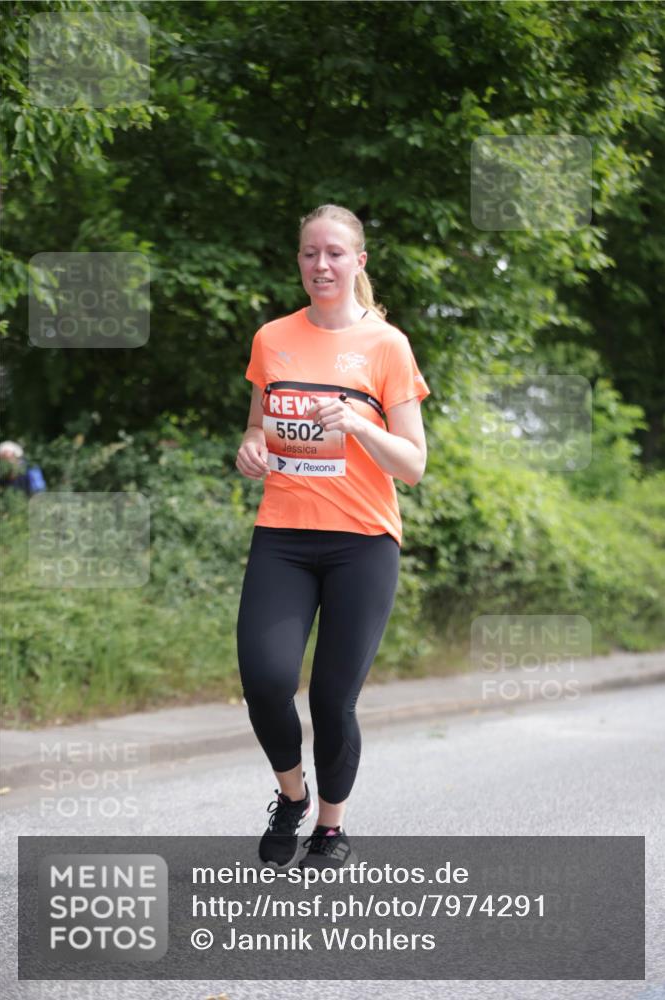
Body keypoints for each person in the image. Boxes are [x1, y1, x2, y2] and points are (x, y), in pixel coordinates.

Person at [235, 204, 430, 870]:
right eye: (310, 253)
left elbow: (412, 464)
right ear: (299, 260)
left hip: (362, 541)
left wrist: (357, 424)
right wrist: (250, 447)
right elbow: (257, 426)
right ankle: (290, 796)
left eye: (335, 254)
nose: (321, 265)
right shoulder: (271, 338)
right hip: (282, 535)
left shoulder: (386, 346)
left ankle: (329, 828)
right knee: (264, 680)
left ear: (358, 263)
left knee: (330, 697)